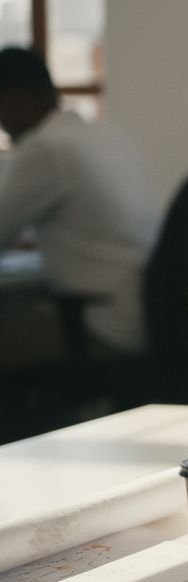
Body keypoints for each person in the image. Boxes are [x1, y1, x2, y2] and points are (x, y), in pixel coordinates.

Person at [0, 47, 158, 355]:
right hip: (145, 316)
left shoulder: (46, 147)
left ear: (16, 100)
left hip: (99, 325)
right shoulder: (105, 135)